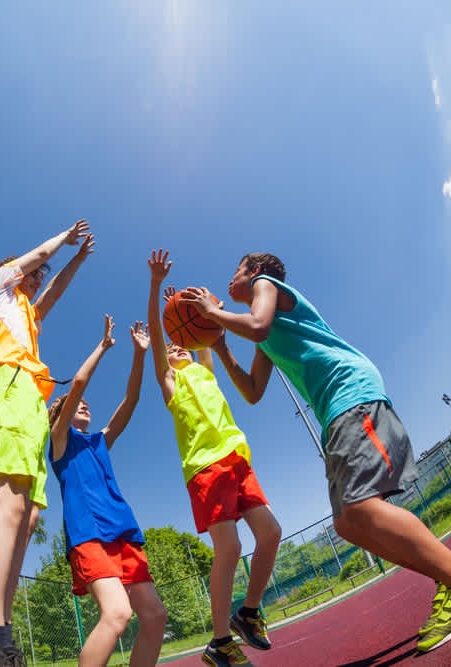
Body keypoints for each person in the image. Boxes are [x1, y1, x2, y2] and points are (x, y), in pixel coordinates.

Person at [180, 252, 451, 654]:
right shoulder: (266, 336)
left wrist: (213, 312)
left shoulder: (269, 289)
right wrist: (223, 344)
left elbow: (258, 325)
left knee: (362, 506)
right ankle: (450, 579)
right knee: (350, 524)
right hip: (334, 413)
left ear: (255, 272)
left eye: (236, 270)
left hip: (352, 394)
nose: (231, 278)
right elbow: (252, 392)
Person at [0, 220, 95, 667]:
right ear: (15, 271)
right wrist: (62, 240)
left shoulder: (27, 314)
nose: (37, 278)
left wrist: (78, 259)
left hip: (30, 398)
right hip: (6, 386)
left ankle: (0, 634)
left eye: (39, 275)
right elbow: (31, 261)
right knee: (6, 503)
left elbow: (53, 294)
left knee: (27, 518)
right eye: (33, 272)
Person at [146, 249, 281, 667]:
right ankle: (219, 641)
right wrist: (156, 288)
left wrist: (207, 308)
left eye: (180, 345)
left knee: (271, 534)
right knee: (231, 546)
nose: (176, 348)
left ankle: (249, 612)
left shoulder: (204, 368)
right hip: (206, 467)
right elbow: (157, 334)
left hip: (237, 458)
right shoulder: (170, 382)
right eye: (171, 349)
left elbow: (207, 336)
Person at [48, 314, 167, 667]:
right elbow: (80, 382)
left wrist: (139, 353)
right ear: (60, 416)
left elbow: (130, 401)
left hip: (124, 534)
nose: (82, 403)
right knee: (117, 614)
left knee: (155, 616)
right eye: (74, 404)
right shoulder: (60, 443)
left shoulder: (99, 442)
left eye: (83, 403)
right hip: (89, 535)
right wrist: (102, 346)